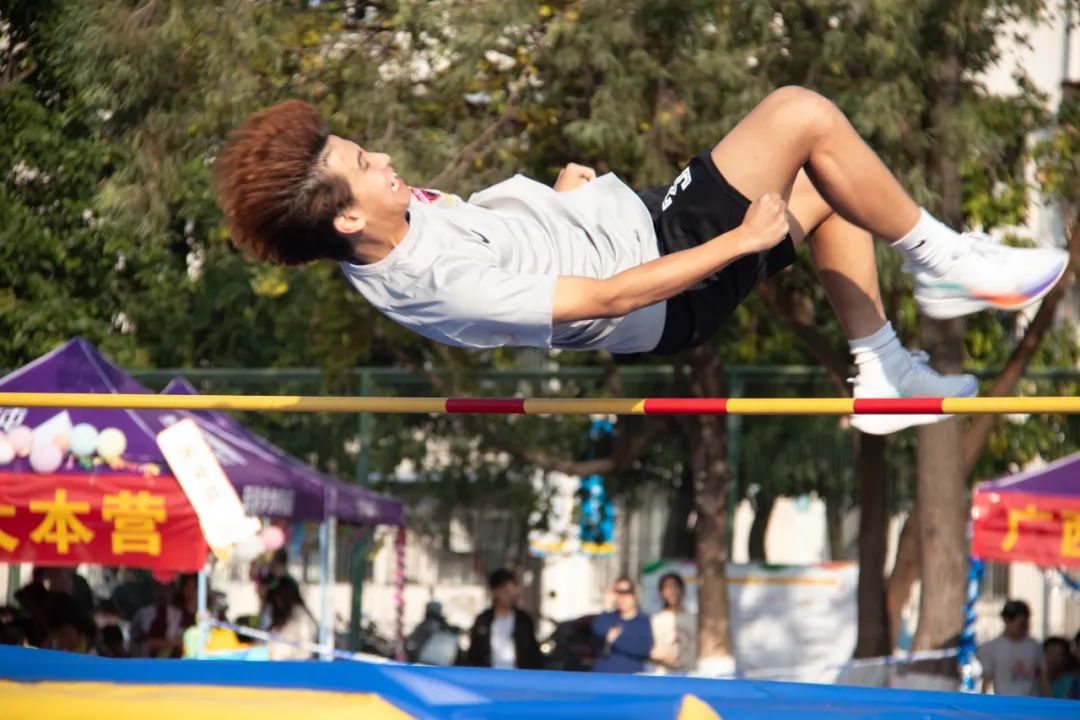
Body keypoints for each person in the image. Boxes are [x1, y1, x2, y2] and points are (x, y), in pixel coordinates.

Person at [212, 89, 1069, 436]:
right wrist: (734, 244)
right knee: (800, 115)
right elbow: (608, 298)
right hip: (661, 272)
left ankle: (883, 372)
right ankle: (944, 262)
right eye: (366, 165)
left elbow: (502, 242)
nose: (385, 160)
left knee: (832, 181)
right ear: (348, 215)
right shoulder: (431, 282)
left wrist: (561, 202)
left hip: (643, 230)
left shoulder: (382, 226)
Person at [463, 568, 543, 670]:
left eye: (513, 593)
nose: (510, 597)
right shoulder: (483, 620)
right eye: (506, 592)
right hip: (488, 675)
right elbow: (474, 654)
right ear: (495, 591)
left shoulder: (524, 620)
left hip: (518, 676)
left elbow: (533, 654)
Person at [977, 600, 1050, 697]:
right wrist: (984, 701)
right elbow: (987, 679)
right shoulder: (991, 648)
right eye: (1020, 624)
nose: (1024, 628)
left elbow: (1042, 678)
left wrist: (1049, 700)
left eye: (1025, 624)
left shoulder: (1034, 647)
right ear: (1006, 621)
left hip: (1030, 702)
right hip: (1004, 702)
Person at [591, 577, 653, 674]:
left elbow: (644, 649)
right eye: (618, 592)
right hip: (603, 675)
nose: (622, 597)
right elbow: (598, 630)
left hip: (630, 676)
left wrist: (615, 640)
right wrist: (606, 606)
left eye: (626, 592)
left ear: (634, 596)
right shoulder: (609, 617)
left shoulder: (643, 620)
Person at [649, 572, 696, 674]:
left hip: (689, 674)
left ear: (682, 590)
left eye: (675, 586)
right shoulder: (655, 620)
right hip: (663, 675)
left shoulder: (694, 619)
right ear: (661, 592)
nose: (671, 591)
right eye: (667, 587)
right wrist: (660, 659)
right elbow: (647, 651)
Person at [264, 576, 316, 660]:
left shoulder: (302, 617)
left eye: (280, 597)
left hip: (293, 665)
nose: (278, 602)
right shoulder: (279, 616)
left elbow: (305, 649)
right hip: (275, 664)